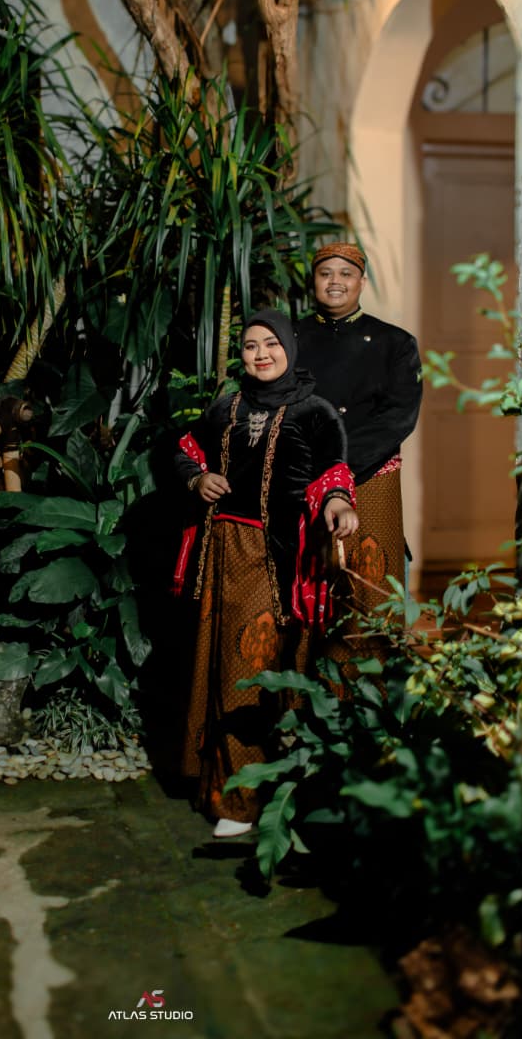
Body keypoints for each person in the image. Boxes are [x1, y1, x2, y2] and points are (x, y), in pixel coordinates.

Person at [172, 309, 358, 839]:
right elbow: (186, 449)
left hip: (285, 560)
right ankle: (237, 800)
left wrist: (338, 503)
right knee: (233, 668)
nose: (261, 354)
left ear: (289, 349)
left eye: (271, 343)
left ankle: (290, 792)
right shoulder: (226, 407)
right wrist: (198, 479)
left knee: (278, 670)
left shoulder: (316, 411)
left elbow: (333, 472)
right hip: (227, 551)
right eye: (251, 346)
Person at [294, 242, 423, 622]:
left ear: (361, 282)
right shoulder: (290, 339)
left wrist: (338, 465)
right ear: (313, 281)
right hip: (304, 473)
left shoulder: (396, 343)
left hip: (369, 473)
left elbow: (398, 416)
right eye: (325, 273)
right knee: (307, 579)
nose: (335, 281)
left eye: (346, 274)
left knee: (372, 581)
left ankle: (377, 660)